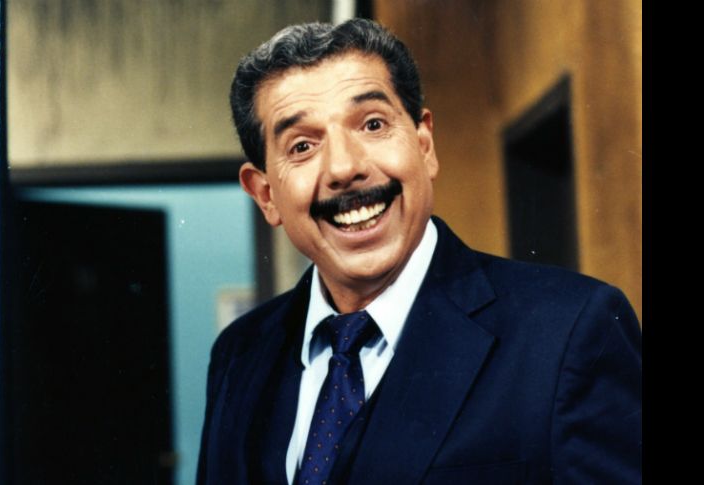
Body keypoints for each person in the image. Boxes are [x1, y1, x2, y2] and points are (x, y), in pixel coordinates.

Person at [197, 18, 641, 485]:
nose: (345, 168)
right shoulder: (238, 355)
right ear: (265, 194)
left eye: (373, 124)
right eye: (303, 146)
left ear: (424, 145)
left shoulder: (570, 331)